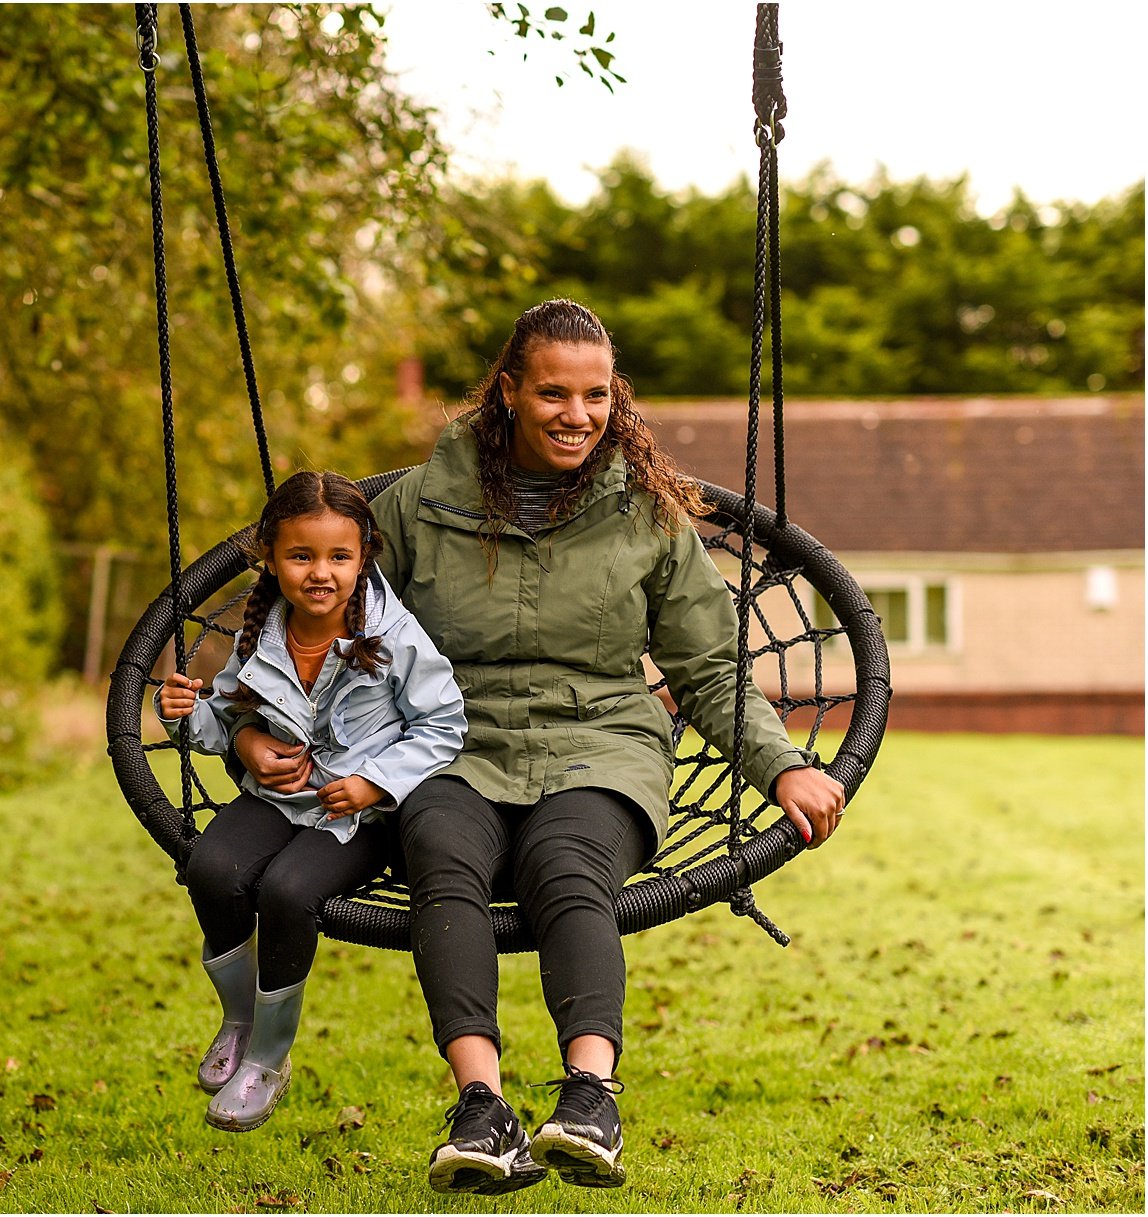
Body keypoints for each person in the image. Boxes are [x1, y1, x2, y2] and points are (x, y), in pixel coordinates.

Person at [232, 300, 847, 1191]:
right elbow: (321, 626)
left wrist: (781, 763)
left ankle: (591, 1096)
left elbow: (709, 668)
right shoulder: (413, 510)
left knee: (569, 860)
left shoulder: (646, 515)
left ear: (615, 398)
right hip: (451, 737)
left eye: (596, 394)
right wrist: (259, 732)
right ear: (509, 391)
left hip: (600, 737)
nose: (577, 414)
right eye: (554, 391)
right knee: (439, 845)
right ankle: (481, 1108)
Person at [155, 470, 467, 1133]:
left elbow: (444, 724)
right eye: (301, 555)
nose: (320, 572)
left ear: (363, 556)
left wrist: (374, 781)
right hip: (280, 792)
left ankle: (269, 1056)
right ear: (272, 556)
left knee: (288, 892)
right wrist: (196, 719)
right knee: (211, 867)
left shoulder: (395, 636)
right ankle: (240, 1019)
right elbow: (230, 714)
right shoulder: (263, 629)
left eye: (339, 556)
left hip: (358, 813)